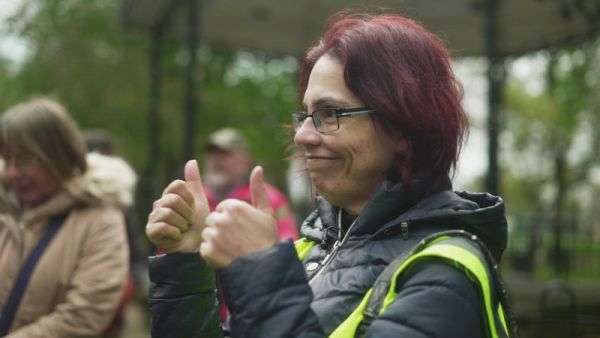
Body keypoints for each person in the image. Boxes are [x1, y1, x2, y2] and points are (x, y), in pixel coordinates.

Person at [145, 13, 519, 338]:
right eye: (305, 115)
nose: (303, 135)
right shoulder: (311, 249)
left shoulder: (445, 274)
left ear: (404, 128)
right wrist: (187, 261)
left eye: (330, 114)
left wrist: (261, 276)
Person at [0, 98, 129, 337]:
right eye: (8, 161)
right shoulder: (6, 209)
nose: (12, 174)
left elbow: (84, 316)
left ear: (59, 155)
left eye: (25, 160)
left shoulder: (100, 220)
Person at [83, 129, 145, 337]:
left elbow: (133, 250)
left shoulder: (117, 200)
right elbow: (134, 249)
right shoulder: (117, 199)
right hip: (104, 300)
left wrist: (131, 283)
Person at [202, 127, 298, 241]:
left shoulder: (269, 198)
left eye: (224, 154)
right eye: (212, 154)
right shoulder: (196, 198)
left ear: (245, 159)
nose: (216, 160)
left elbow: (288, 240)